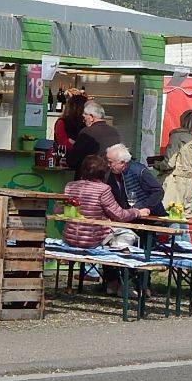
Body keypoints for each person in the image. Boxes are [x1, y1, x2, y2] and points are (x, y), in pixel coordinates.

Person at [62, 154, 150, 296]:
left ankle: (111, 283)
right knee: (127, 237)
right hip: (92, 239)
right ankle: (124, 283)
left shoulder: (70, 186)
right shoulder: (103, 189)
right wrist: (138, 212)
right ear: (103, 172)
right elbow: (119, 215)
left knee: (112, 237)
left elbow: (58, 210)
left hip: (71, 238)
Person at [152, 110, 192, 215]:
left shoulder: (176, 137)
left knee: (172, 215)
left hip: (174, 182)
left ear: (182, 120)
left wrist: (156, 164)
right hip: (189, 183)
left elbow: (169, 164)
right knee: (183, 216)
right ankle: (183, 232)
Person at [105, 143, 166, 215]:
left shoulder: (139, 170)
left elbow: (158, 191)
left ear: (122, 162)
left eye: (110, 162)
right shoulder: (113, 174)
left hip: (150, 216)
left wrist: (145, 207)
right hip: (129, 216)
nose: (108, 165)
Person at [65, 100, 122, 178]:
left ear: (91, 117)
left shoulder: (87, 132)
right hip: (110, 178)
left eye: (84, 117)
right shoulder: (114, 132)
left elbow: (73, 160)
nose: (83, 120)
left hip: (90, 178)